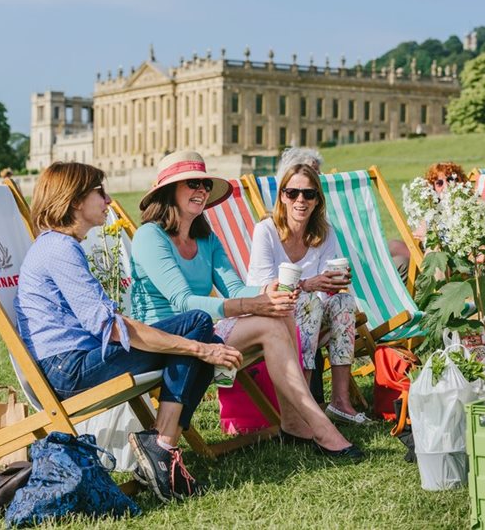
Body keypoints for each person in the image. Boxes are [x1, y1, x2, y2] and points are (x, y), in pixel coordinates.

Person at [15, 162, 241, 503]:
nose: (108, 200)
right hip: (69, 371)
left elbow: (108, 324)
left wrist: (201, 348)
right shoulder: (58, 249)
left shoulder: (62, 246)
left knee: (200, 334)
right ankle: (162, 447)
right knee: (196, 328)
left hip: (79, 360)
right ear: (76, 200)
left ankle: (161, 447)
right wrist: (200, 350)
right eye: (100, 193)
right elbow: (109, 327)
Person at [130, 151, 363, 459]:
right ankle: (315, 425)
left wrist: (272, 291)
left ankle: (300, 420)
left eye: (204, 184)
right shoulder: (150, 236)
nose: (201, 189)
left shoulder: (205, 239)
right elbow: (183, 301)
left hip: (201, 332)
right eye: (191, 183)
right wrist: (253, 303)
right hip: (166, 343)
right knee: (271, 321)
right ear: (168, 191)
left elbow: (236, 288)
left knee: (279, 313)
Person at [247, 163, 369, 425]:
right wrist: (307, 285)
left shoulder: (323, 233)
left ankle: (340, 402)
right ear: (282, 196)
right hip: (270, 314)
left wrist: (333, 284)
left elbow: (324, 287)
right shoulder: (266, 231)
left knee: (344, 301)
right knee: (310, 304)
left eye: (309, 194)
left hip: (310, 315)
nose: (300, 200)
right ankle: (302, 404)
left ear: (317, 200)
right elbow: (264, 286)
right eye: (293, 193)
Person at [390, 162, 485, 279]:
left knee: (434, 250)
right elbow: (420, 235)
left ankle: (436, 297)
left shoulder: (474, 201)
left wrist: (483, 245)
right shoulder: (434, 207)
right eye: (439, 183)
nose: (446, 186)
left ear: (461, 182)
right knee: (393, 246)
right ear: (433, 188)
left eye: (451, 179)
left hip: (464, 261)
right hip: (433, 258)